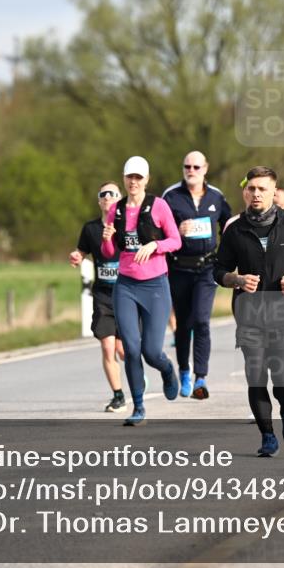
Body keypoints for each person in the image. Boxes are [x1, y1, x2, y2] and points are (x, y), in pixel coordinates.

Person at [214, 166, 284, 457]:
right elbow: (218, 270)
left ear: (274, 191)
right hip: (249, 315)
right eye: (251, 188)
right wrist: (236, 279)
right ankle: (267, 436)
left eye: (262, 188)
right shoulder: (235, 229)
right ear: (244, 191)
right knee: (256, 376)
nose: (256, 193)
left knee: (283, 379)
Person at [101, 156, 182, 425]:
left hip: (155, 285)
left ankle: (168, 369)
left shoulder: (159, 206)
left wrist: (155, 246)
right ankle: (138, 408)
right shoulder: (117, 210)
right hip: (125, 285)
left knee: (151, 351)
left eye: (138, 177)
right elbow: (111, 253)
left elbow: (175, 240)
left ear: (146, 179)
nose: (133, 182)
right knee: (132, 350)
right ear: (124, 179)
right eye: (129, 177)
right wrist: (107, 240)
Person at [162, 151, 231, 400]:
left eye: (196, 167)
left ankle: (201, 377)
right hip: (179, 268)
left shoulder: (216, 196)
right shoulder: (171, 196)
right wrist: (176, 231)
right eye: (187, 166)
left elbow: (229, 225)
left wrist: (227, 254)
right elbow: (156, 228)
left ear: (205, 168)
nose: (191, 170)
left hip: (207, 268)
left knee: (201, 320)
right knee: (184, 325)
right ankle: (184, 371)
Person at [69, 181, 127, 412]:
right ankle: (118, 395)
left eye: (113, 194)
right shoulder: (91, 228)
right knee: (107, 346)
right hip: (103, 295)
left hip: (126, 293)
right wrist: (77, 256)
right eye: (104, 194)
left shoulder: (127, 226)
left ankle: (135, 374)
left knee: (125, 351)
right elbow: (82, 251)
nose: (108, 197)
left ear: (119, 199)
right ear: (99, 200)